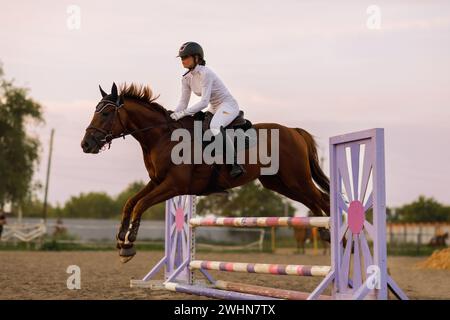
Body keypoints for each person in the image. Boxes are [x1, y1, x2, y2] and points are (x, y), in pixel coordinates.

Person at [170, 41, 246, 178]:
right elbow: (183, 102)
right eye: (181, 58)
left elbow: (204, 102)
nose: (183, 60)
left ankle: (234, 164)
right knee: (199, 126)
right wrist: (173, 115)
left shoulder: (206, 73)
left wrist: (182, 114)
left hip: (228, 105)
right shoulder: (186, 78)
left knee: (215, 126)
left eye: (186, 57)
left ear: (197, 58)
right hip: (214, 107)